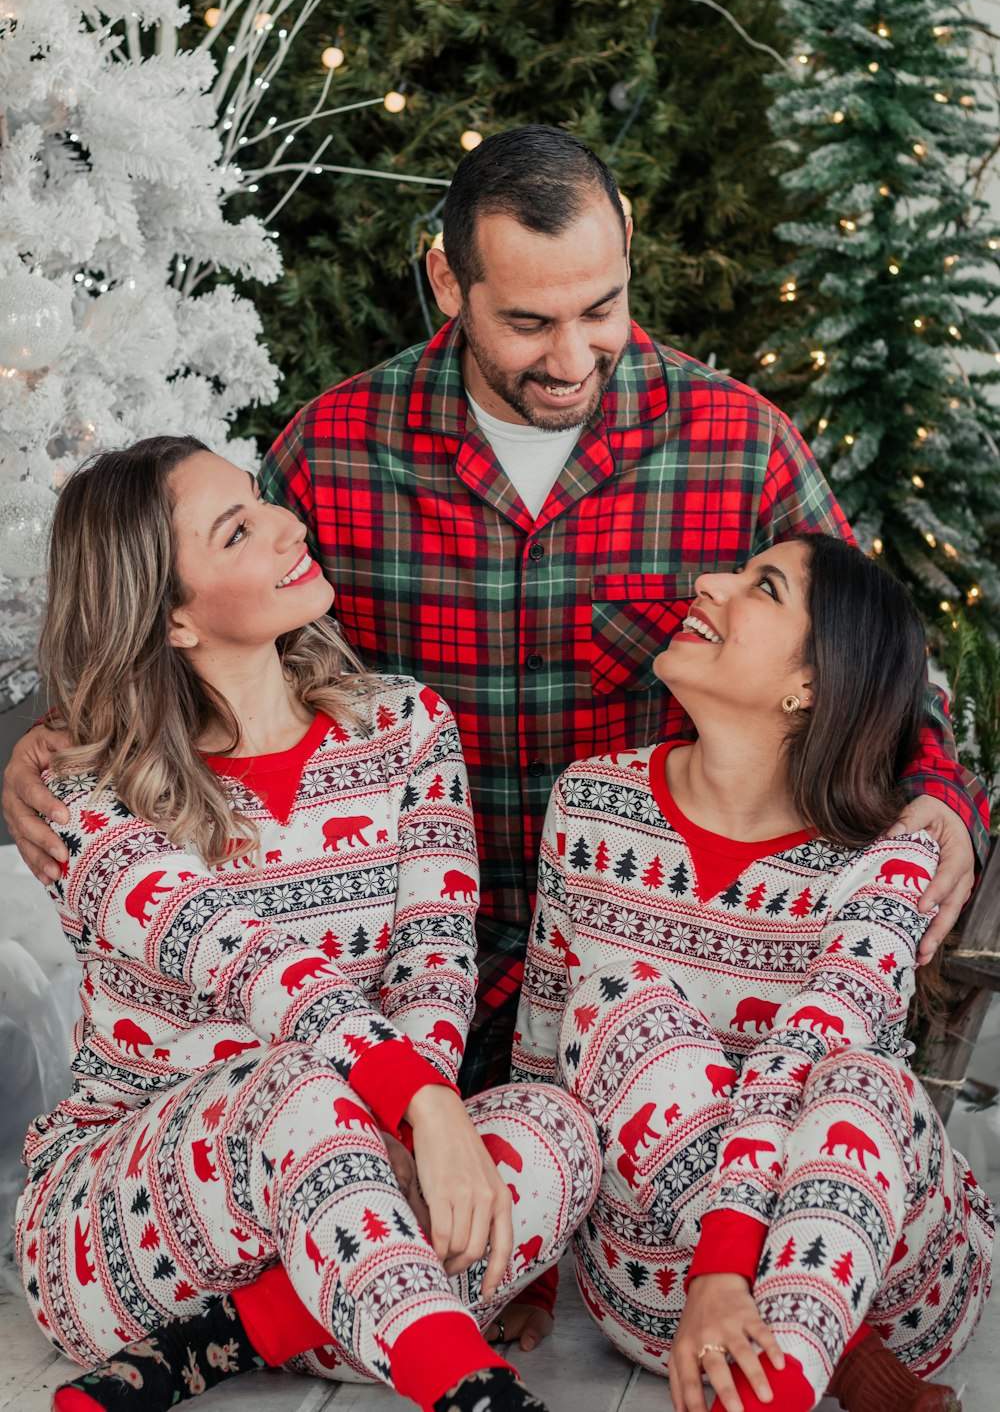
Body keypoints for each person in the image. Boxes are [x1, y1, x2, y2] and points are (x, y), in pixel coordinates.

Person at [2, 126, 986, 1105]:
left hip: (643, 994)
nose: (570, 357)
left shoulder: (740, 447)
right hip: (391, 1000)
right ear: (446, 280)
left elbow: (867, 658)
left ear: (626, 245)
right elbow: (203, 634)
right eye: (526, 323)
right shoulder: (333, 452)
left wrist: (938, 789)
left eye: (601, 309)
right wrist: (66, 736)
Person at [17, 437, 601, 1412]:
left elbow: (432, 969)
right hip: (126, 1228)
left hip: (346, 1191)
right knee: (291, 1076)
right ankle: (468, 1387)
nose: (289, 525)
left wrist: (419, 1125)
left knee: (559, 1128)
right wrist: (421, 1104)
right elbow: (247, 961)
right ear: (170, 617)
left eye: (261, 499)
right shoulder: (86, 791)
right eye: (238, 529)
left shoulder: (407, 729)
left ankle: (242, 1338)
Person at [511, 535, 993, 1412]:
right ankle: (829, 1374)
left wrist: (737, 1258)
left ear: (807, 686)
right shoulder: (591, 804)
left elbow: (803, 1060)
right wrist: (535, 1272)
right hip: (668, 1293)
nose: (708, 584)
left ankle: (828, 1361)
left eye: (761, 587)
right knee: (613, 1001)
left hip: (877, 1283)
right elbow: (543, 1045)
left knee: (855, 1078)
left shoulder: (888, 858)